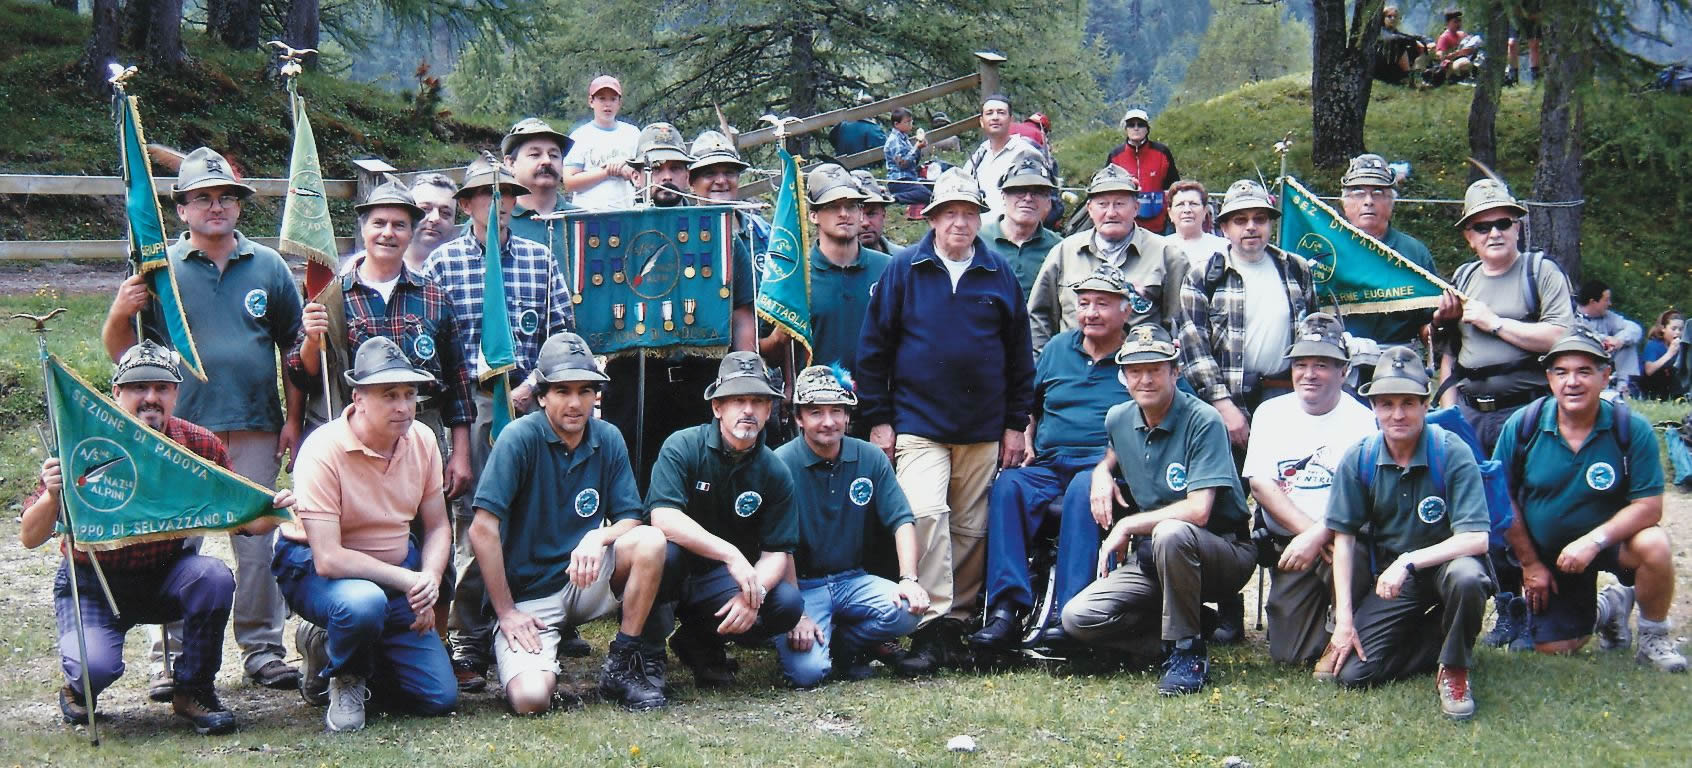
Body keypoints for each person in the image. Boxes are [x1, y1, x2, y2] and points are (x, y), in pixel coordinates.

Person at [99, 146, 304, 694]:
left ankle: (263, 648)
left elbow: (292, 349)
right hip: (180, 433)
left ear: (239, 206)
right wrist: (122, 311)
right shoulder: (158, 269)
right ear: (182, 208)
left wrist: (294, 420)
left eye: (226, 198)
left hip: (256, 422)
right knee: (177, 541)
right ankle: (173, 656)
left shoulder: (268, 266)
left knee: (257, 538)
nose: (216, 207)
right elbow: (125, 357)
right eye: (202, 198)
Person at [20, 341, 292, 734]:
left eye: (162, 387)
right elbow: (30, 537)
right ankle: (80, 688)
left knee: (212, 577)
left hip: (164, 575)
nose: (151, 398)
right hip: (93, 581)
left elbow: (243, 520)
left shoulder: (199, 446)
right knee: (95, 666)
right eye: (138, 387)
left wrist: (272, 510)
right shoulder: (82, 440)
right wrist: (52, 493)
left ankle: (193, 689)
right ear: (117, 393)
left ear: (176, 394)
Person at [857, 168, 1036, 669]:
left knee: (972, 528)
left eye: (969, 213)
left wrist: (1015, 423)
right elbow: (874, 349)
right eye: (950, 213)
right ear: (931, 217)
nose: (960, 222)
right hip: (917, 421)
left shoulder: (999, 273)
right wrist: (879, 418)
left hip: (983, 425)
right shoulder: (904, 269)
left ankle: (960, 621)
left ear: (981, 218)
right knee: (926, 515)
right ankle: (931, 623)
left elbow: (1020, 356)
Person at [422, 155, 575, 691]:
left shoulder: (541, 259)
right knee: (477, 517)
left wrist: (533, 385)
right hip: (475, 404)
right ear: (467, 205)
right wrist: (459, 418)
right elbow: (439, 349)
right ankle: (468, 634)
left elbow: (561, 336)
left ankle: (542, 616)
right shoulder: (441, 265)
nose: (500, 204)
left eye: (506, 194)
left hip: (534, 401)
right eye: (487, 195)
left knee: (536, 513)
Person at [469, 333, 672, 712]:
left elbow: (631, 517)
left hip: (586, 577)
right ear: (542, 395)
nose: (575, 403)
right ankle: (532, 655)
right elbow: (481, 529)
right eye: (563, 390)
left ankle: (623, 662)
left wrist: (599, 538)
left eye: (585, 390)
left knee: (652, 542)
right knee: (530, 700)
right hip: (531, 594)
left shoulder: (608, 436)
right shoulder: (518, 438)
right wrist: (506, 611)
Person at [1060, 323, 1255, 695]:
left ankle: (1188, 652)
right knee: (1079, 618)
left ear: (1175, 372)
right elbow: (1115, 452)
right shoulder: (1118, 418)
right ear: (1123, 376)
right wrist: (1101, 471)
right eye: (1135, 370)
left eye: (1155, 369)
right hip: (1155, 560)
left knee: (1171, 531)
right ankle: (1177, 636)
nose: (1145, 379)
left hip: (1221, 551)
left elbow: (1199, 511)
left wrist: (1128, 525)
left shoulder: (1203, 420)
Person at [274, 337, 458, 732]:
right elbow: (330, 557)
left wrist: (428, 580)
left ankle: (335, 650)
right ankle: (346, 676)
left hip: (394, 567)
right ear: (357, 398)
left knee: (439, 698)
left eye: (409, 394)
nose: (403, 406)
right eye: (389, 395)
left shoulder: (423, 440)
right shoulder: (322, 449)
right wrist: (410, 580)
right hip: (320, 572)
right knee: (362, 605)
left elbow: (440, 525)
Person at [1493, 330, 1686, 672]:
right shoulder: (1524, 425)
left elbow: (1649, 506)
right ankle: (1610, 606)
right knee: (1554, 647)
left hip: (1611, 544)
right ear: (1549, 378)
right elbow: (1500, 497)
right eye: (1562, 372)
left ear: (1605, 375)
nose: (1572, 382)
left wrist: (1593, 541)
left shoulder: (1631, 428)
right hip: (1549, 555)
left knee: (1654, 543)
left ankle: (1654, 638)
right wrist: (1530, 564)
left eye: (1584, 371)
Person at [1322, 346, 1493, 720]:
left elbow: (1476, 539)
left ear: (1425, 404)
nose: (1397, 414)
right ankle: (1440, 638)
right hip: (1395, 582)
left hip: (1447, 564)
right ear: (1373, 407)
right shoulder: (1361, 457)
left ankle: (1454, 667)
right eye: (1386, 404)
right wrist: (1345, 621)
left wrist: (1408, 561)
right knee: (1354, 674)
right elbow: (1344, 539)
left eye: (1408, 403)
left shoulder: (1451, 452)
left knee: (1468, 577)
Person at [969, 265, 1133, 653]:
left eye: (1102, 304)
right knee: (1009, 485)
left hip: (1107, 468)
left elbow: (1155, 415)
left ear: (1126, 310)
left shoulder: (1138, 355)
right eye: (1084, 303)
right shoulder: (1059, 348)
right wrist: (1026, 437)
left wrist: (1105, 468)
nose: (1090, 312)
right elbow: (1030, 405)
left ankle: (1069, 613)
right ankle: (1006, 609)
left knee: (1082, 489)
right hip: (1049, 462)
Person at [601, 124, 761, 488]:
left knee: (702, 484)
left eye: (674, 167)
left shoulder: (720, 236)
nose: (665, 177)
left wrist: (748, 376)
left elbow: (741, 315)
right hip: (634, 385)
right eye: (655, 168)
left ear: (688, 174)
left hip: (701, 381)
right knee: (632, 485)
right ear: (637, 174)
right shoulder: (611, 236)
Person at [646, 352, 806, 687]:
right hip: (672, 572)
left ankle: (699, 642)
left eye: (758, 401)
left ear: (768, 410)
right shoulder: (682, 446)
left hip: (720, 582)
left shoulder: (776, 471)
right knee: (662, 553)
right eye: (737, 400)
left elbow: (777, 552)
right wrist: (730, 554)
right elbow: (663, 517)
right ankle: (646, 655)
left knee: (787, 603)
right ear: (717, 407)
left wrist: (755, 593)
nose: (748, 410)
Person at [774, 366, 928, 686]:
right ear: (798, 418)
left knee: (909, 610)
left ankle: (848, 642)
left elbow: (902, 520)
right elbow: (777, 545)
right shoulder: (779, 464)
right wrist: (796, 614)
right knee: (808, 674)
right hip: (801, 586)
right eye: (816, 412)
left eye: (837, 411)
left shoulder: (870, 457)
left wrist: (909, 579)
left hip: (852, 579)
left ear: (847, 416)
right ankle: (813, 638)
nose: (828, 421)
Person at [1241, 314, 1377, 665]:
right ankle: (1330, 624)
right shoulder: (1270, 413)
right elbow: (1260, 483)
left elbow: (1365, 496)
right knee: (1290, 655)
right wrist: (1308, 535)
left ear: (1343, 371)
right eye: (1300, 364)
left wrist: (1320, 535)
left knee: (1347, 551)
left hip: (1344, 542)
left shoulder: (1363, 420)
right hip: (1292, 545)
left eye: (1322, 365)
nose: (1309, 374)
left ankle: (1343, 627)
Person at [1433, 178, 1573, 452]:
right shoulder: (1463, 278)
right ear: (1469, 237)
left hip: (1529, 413)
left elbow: (1562, 336)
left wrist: (1495, 323)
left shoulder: (1540, 272)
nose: (1494, 233)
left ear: (1517, 228)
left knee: (1525, 493)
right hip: (1470, 415)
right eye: (1482, 227)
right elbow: (1449, 354)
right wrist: (1450, 413)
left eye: (1503, 223)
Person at [1176, 179, 1317, 452]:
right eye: (1240, 220)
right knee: (1230, 489)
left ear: (1270, 225)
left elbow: (1313, 336)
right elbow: (1195, 349)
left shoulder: (1296, 269)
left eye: (1259, 219)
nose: (1251, 227)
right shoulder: (1203, 276)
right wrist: (1224, 406)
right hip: (1227, 402)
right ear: (1225, 228)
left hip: (1287, 395)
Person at [1028, 165, 1189, 356]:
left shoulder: (1167, 255)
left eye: (1120, 204)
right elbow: (1038, 316)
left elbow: (1180, 324)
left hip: (1138, 373)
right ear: (1089, 209)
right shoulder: (1064, 252)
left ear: (1136, 207)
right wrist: (1043, 365)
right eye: (1103, 204)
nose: (1111, 213)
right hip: (1074, 371)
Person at [759, 164, 889, 373]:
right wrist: (778, 337)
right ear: (813, 215)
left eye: (852, 205)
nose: (844, 214)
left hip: (876, 399)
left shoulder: (888, 269)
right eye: (833, 206)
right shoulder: (792, 275)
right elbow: (767, 354)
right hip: (815, 402)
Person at [1337, 154, 1437, 361]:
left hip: (1398, 361)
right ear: (1344, 203)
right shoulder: (1327, 252)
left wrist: (1442, 321)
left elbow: (1428, 327)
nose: (1368, 202)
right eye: (1358, 193)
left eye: (1378, 193)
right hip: (1339, 361)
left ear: (1391, 201)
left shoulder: (1413, 253)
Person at [978, 157, 1063, 298]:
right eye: (1019, 190)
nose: (1028, 198)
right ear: (1003, 196)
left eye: (1037, 192)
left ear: (1048, 201)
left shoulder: (1059, 248)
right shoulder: (976, 241)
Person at [504, 117, 578, 269]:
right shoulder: (490, 224)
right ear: (510, 163)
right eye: (535, 155)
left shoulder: (583, 220)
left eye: (554, 155)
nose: (546, 161)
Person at [562, 75, 642, 210]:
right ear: (591, 101)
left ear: (619, 103)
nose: (607, 104)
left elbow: (645, 176)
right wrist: (607, 172)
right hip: (588, 214)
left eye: (613, 99)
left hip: (626, 212)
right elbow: (569, 183)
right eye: (601, 98)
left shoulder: (633, 134)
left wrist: (630, 171)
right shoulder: (580, 136)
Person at [962, 94, 1047, 215]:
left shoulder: (1026, 153)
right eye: (989, 113)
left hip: (1014, 231)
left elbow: (1042, 202)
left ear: (1010, 120)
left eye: (1001, 112)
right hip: (978, 231)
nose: (995, 117)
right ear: (981, 121)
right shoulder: (978, 157)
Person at [1104, 109, 1181, 235]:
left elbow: (1174, 187)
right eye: (1131, 125)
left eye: (1140, 124)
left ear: (1147, 129)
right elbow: (1108, 189)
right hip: (1126, 224)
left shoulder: (1162, 153)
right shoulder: (1115, 156)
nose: (1136, 128)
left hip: (1159, 224)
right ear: (1126, 129)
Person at [1573, 279, 1643, 396]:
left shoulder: (1608, 317)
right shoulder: (1572, 315)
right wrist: (1604, 339)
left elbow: (1635, 328)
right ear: (1593, 302)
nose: (1609, 304)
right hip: (1582, 355)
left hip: (1606, 355)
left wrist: (1618, 340)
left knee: (1627, 344)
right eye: (1606, 300)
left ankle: (1625, 387)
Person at [407, 173, 460, 273]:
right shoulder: (377, 264)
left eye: (445, 213)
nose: (435, 219)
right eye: (425, 209)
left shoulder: (465, 268)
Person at [1167, 180, 1228, 265]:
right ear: (1170, 213)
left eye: (1193, 204)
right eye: (1180, 204)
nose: (1187, 210)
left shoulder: (1224, 248)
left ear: (1205, 211)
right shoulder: (1159, 248)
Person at [884, 107, 932, 207]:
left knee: (933, 186)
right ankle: (895, 197)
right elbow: (902, 164)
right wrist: (916, 147)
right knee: (927, 195)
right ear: (897, 124)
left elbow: (913, 162)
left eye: (911, 122)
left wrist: (919, 148)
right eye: (907, 122)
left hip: (910, 177)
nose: (910, 125)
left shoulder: (904, 138)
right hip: (899, 180)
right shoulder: (895, 140)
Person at [851, 169, 902, 255]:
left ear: (883, 214)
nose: (865, 223)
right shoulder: (832, 265)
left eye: (871, 214)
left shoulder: (903, 258)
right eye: (857, 215)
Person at [1640, 310, 1685, 400]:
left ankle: (1680, 398)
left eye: (1681, 329)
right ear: (1663, 328)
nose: (1678, 333)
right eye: (1674, 329)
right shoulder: (1653, 345)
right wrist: (1670, 353)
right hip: (1653, 385)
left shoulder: (1683, 346)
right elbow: (1649, 370)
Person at [1433, 9, 1480, 81]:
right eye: (1455, 22)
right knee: (1464, 64)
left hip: (1468, 58)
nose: (1458, 24)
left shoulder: (1462, 34)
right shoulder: (1444, 37)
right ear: (1448, 23)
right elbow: (1440, 54)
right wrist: (1455, 54)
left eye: (1459, 21)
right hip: (1452, 64)